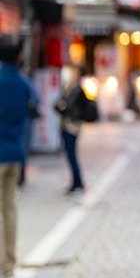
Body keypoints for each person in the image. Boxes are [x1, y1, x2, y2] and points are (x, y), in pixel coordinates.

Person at [0, 36, 37, 278]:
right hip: (15, 154)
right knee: (10, 209)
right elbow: (36, 109)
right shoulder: (24, 84)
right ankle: (8, 266)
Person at [55, 66, 95, 198]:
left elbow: (70, 107)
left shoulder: (76, 89)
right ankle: (76, 182)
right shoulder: (68, 88)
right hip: (67, 125)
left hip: (72, 126)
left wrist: (64, 108)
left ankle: (78, 182)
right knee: (70, 155)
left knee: (72, 155)